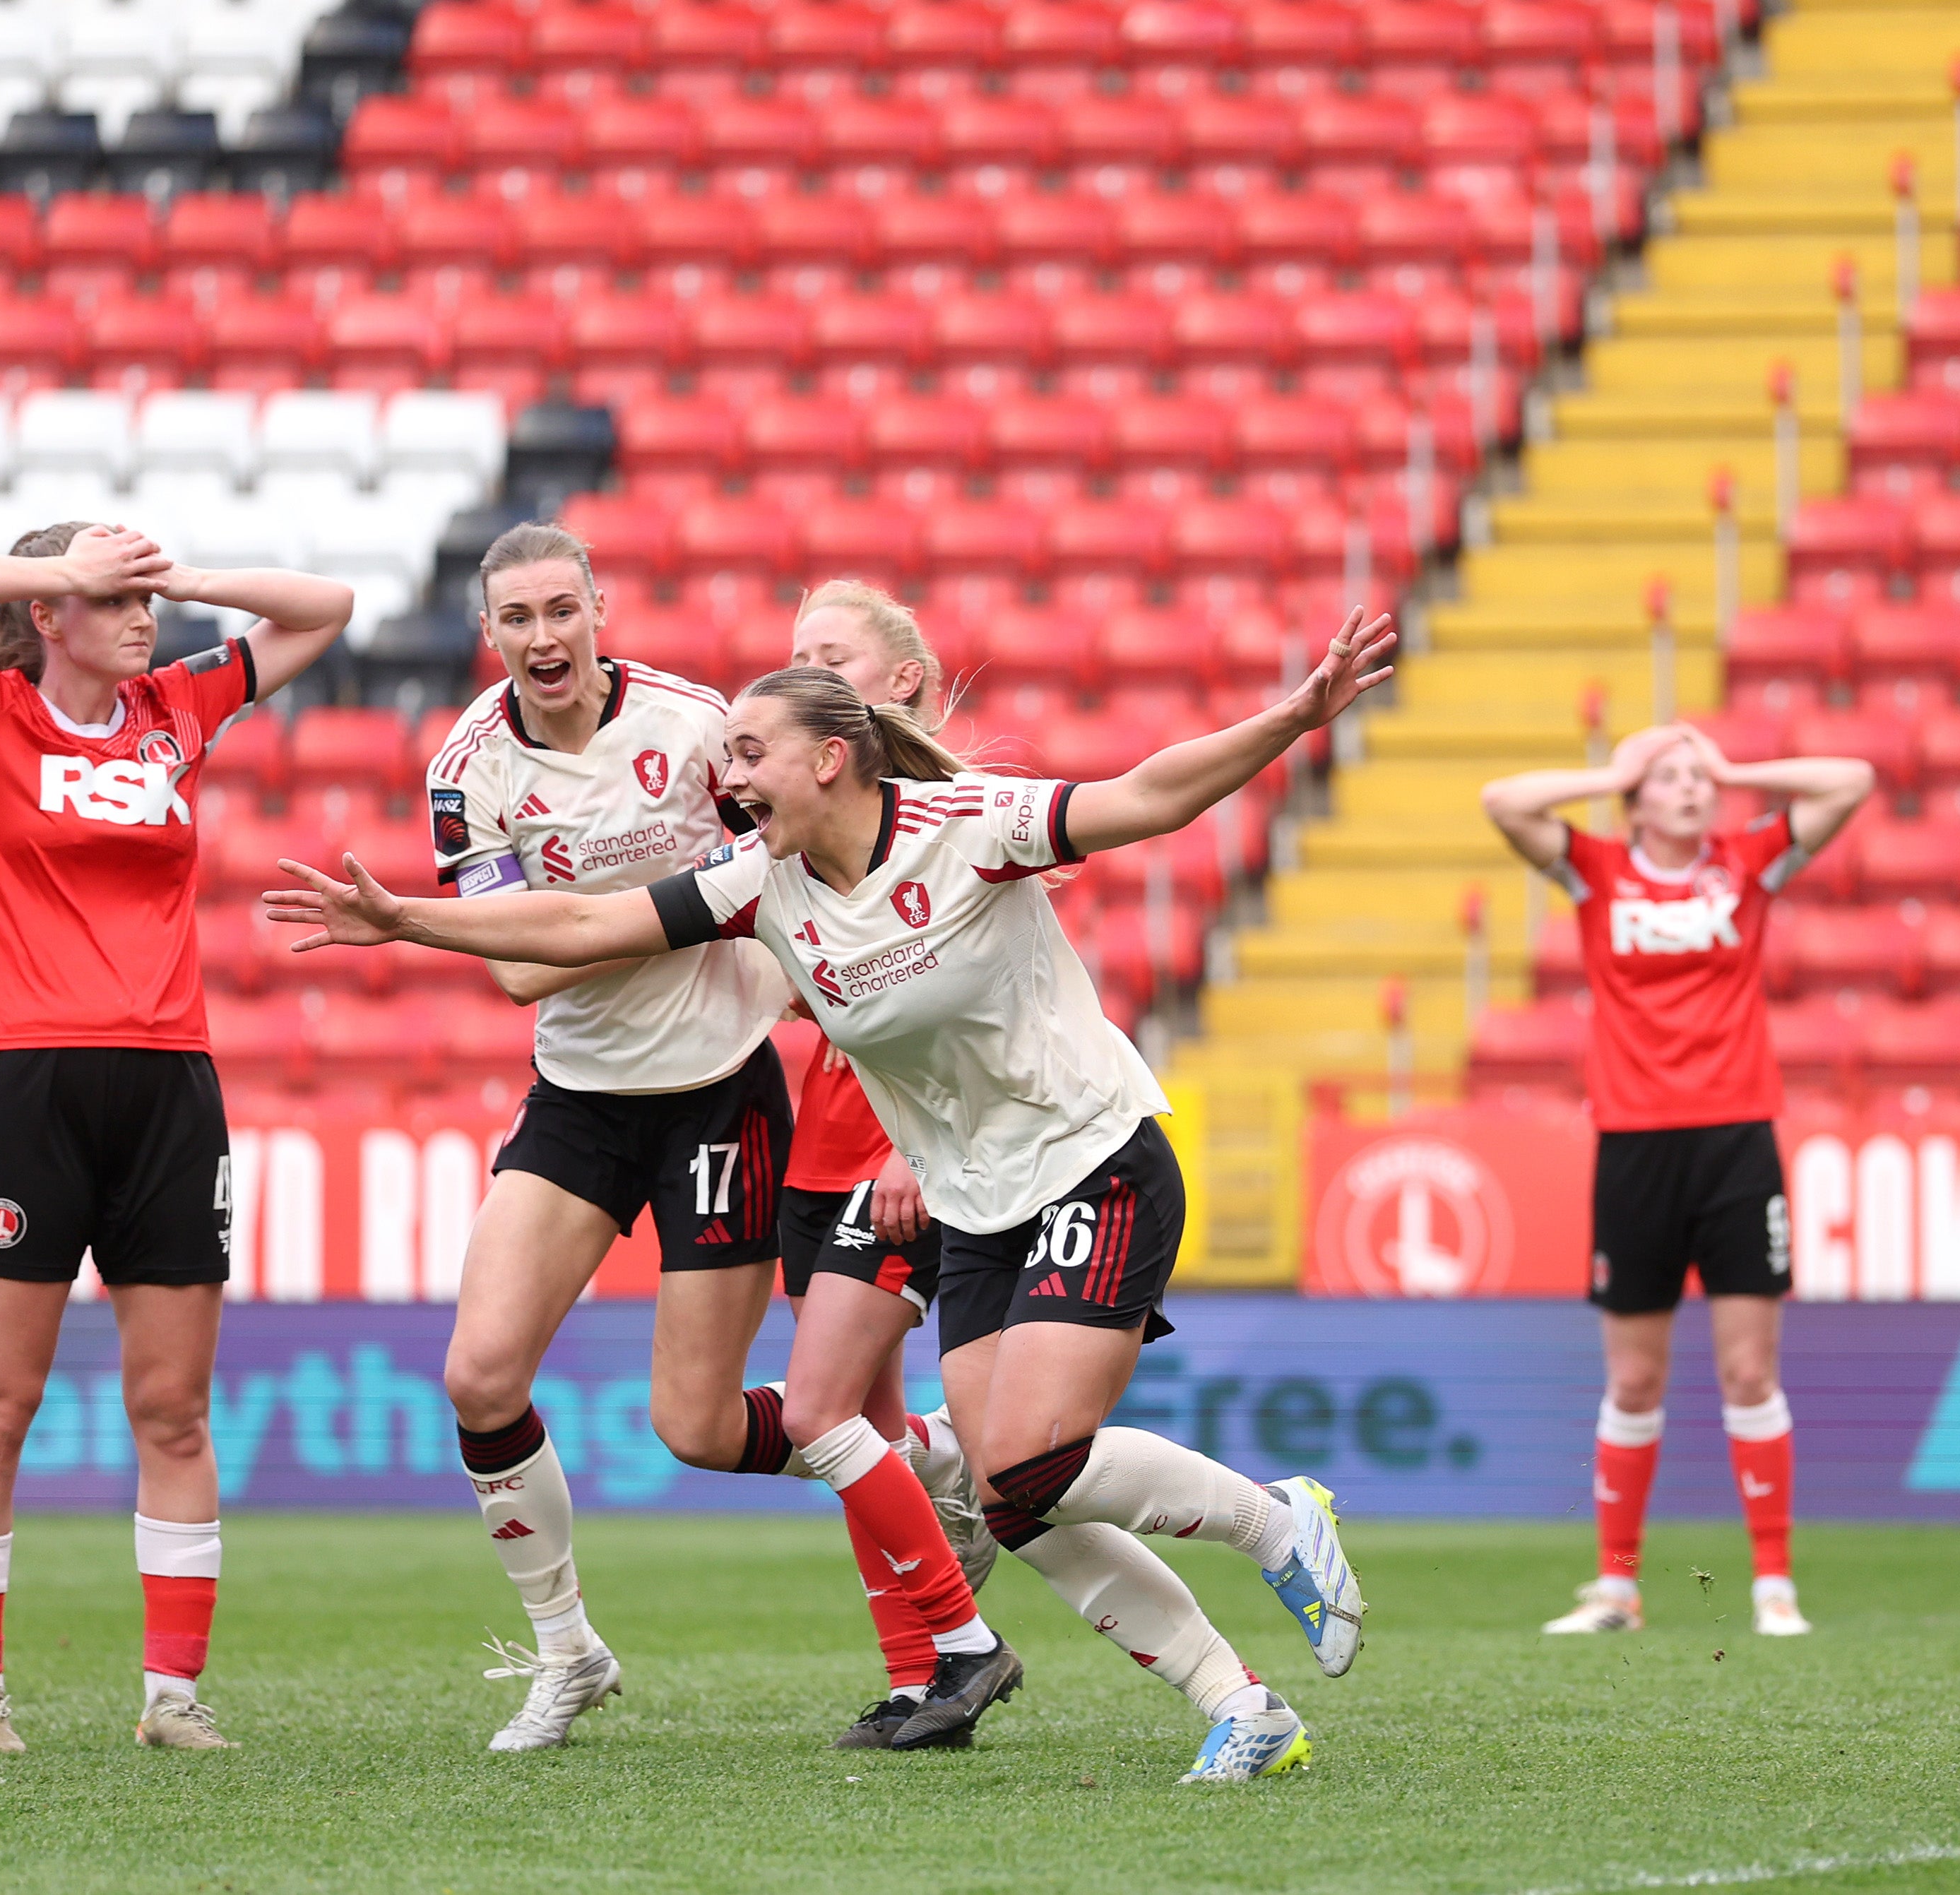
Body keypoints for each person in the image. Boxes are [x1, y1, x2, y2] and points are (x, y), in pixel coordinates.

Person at [265, 612, 1398, 1783]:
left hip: (1091, 1159)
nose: (728, 775)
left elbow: (1149, 797)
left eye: (750, 753)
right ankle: (1243, 1707)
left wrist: (1293, 716)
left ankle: (1275, 1520)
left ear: (829, 757)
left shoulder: (967, 827)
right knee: (1010, 1501)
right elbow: (585, 922)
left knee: (1026, 1467)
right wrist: (405, 922)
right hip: (973, 1200)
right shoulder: (759, 884)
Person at [424, 526, 1011, 1754]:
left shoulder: (696, 725)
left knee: (695, 1428)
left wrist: (608, 922)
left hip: (717, 1093)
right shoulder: (469, 768)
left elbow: (798, 861)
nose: (543, 637)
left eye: (561, 609)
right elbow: (518, 975)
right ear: (490, 634)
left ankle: (908, 1465)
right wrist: (674, 913)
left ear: (599, 609)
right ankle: (566, 1652)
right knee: (479, 1376)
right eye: (517, 618)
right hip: (578, 1097)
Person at [0, 521, 353, 1754]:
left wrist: (181, 578)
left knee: (174, 1409)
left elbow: (325, 607)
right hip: (25, 1083)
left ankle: (173, 1700)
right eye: (118, 599)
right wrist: (63, 571)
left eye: (149, 600)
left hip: (169, 1085)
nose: (145, 618)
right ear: (49, 612)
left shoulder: (174, 708)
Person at [1481, 723, 1874, 1640]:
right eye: (1669, 778)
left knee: (1749, 1370)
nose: (1692, 789)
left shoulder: (1746, 863)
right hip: (1633, 1146)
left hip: (1737, 1140)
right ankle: (1616, 1588)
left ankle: (1773, 1586)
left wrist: (1734, 766)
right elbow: (1502, 801)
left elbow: (1849, 777)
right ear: (1634, 800)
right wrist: (1610, 773)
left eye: (1700, 778)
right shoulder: (1596, 870)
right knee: (1632, 1381)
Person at [772, 581, 1002, 1750]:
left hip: (896, 1157)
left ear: (900, 680)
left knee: (823, 1416)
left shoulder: (955, 825)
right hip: (811, 1149)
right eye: (796, 656)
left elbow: (995, 1009)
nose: (807, 672)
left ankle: (958, 1647)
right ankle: (919, 1678)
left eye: (833, 655)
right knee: (854, 1428)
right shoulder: (803, 828)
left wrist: (916, 1147)